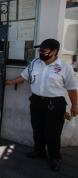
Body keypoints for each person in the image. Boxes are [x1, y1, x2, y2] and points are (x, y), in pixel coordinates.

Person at [5, 39, 78, 171]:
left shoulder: (64, 67)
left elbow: (72, 88)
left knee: (52, 133)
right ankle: (39, 151)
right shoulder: (35, 63)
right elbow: (24, 76)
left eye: (44, 51)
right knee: (37, 129)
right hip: (37, 102)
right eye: (40, 50)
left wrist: (75, 106)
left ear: (54, 51)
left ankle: (55, 157)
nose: (40, 53)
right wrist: (10, 82)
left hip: (55, 105)